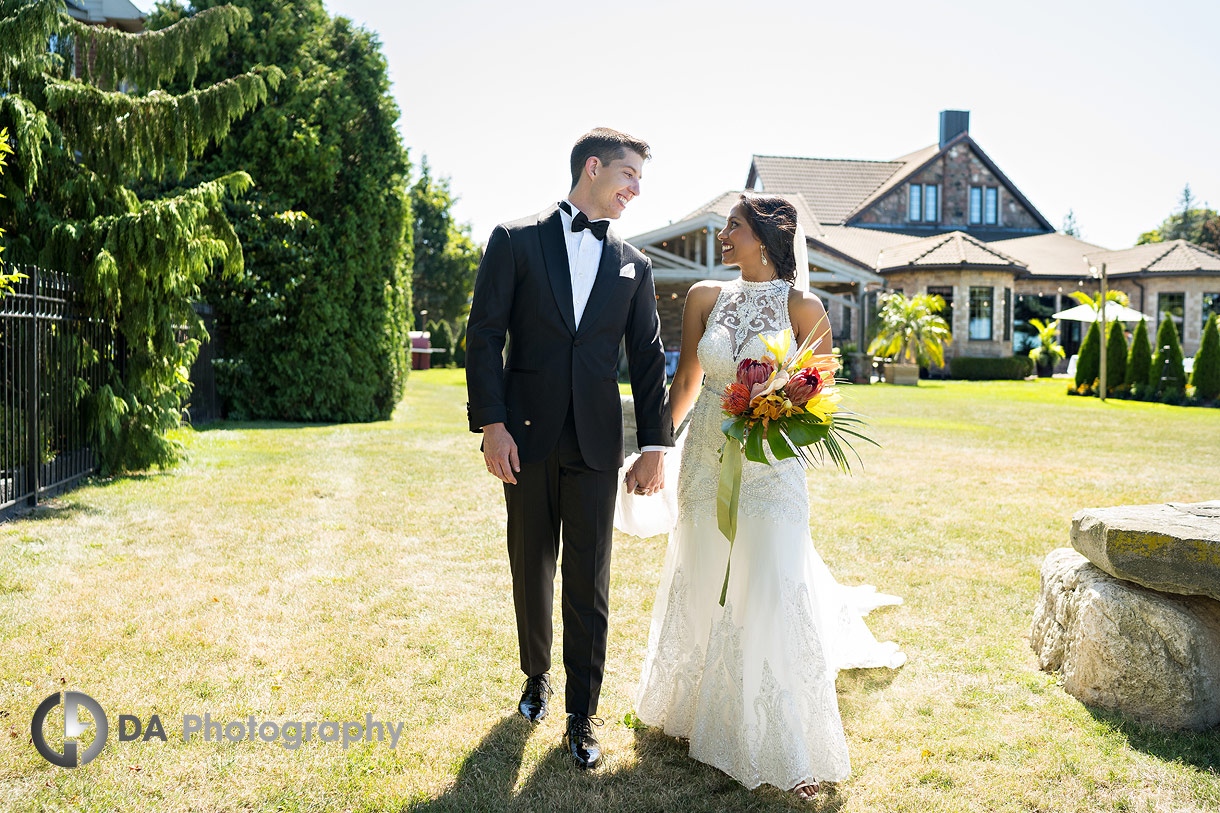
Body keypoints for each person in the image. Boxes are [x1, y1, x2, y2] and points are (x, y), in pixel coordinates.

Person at [630, 193, 905, 799]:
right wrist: (657, 445)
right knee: (705, 569)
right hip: (705, 457)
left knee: (773, 583)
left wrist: (771, 414)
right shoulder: (705, 296)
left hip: (769, 469)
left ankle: (789, 741)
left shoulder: (806, 308)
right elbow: (687, 380)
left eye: (733, 226)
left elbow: (821, 398)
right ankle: (696, 709)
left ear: (767, 236)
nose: (723, 235)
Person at [465, 127, 674, 770]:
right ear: (592, 168)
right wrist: (492, 425)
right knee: (531, 565)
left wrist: (656, 446)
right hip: (524, 439)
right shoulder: (514, 240)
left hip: (596, 444)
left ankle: (582, 717)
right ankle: (535, 676)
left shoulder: (635, 265)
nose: (636, 190)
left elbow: (645, 359)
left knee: (590, 581)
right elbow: (484, 336)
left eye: (640, 179)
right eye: (629, 176)